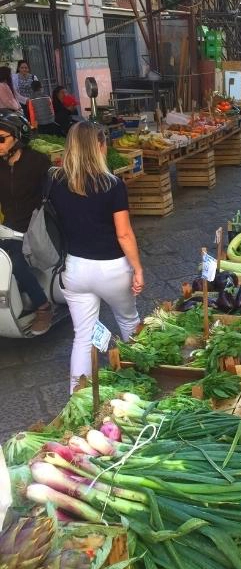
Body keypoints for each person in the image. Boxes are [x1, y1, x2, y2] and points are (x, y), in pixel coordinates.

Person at [48, 122, 143, 392]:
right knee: (128, 321)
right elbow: (124, 235)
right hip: (111, 268)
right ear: (99, 146)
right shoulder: (113, 185)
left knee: (83, 336)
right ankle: (140, 381)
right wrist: (137, 268)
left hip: (73, 269)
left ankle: (77, 397)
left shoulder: (54, 181)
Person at [0, 110, 52, 334]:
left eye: (1, 138)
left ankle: (43, 307)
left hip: (33, 227)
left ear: (18, 137)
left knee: (15, 262)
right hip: (7, 227)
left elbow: (52, 194)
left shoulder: (38, 162)